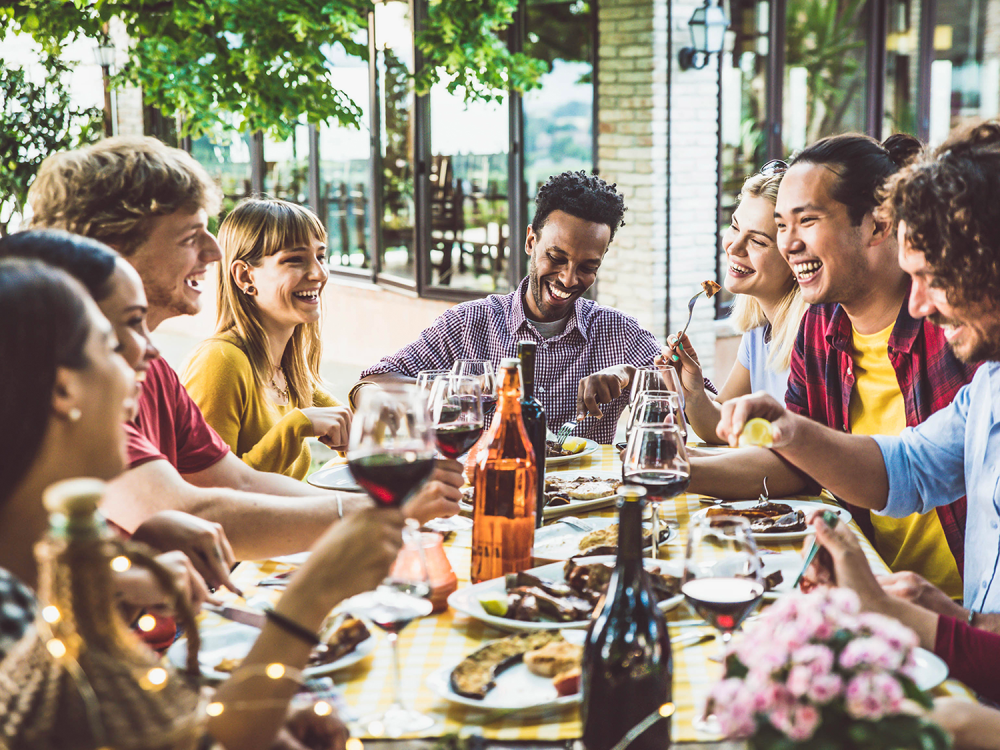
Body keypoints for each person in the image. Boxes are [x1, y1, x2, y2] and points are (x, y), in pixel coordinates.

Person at [0, 256, 401, 750]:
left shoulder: (56, 565)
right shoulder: (9, 614)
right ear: (64, 388)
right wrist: (309, 599)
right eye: (112, 343)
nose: (145, 359)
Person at [26, 136, 462, 560]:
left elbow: (242, 484)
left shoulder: (151, 367)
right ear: (115, 250)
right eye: (191, 235)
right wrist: (389, 510)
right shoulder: (66, 382)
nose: (214, 251)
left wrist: (388, 505)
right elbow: (197, 510)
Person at [715, 122, 1000, 633]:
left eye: (937, 277)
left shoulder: (967, 347)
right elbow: (912, 466)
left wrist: (955, 626)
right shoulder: (988, 384)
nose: (920, 304)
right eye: (781, 225)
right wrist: (790, 430)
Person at [353, 170, 671, 445]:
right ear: (531, 242)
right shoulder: (469, 323)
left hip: (584, 504)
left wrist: (633, 375)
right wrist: (464, 387)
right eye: (556, 258)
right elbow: (368, 387)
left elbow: (701, 403)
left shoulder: (619, 332)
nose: (568, 278)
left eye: (588, 266)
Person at [182, 198, 351, 479]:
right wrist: (296, 426)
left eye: (320, 256)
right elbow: (211, 489)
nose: (319, 274)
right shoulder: (220, 362)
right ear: (244, 275)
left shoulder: (288, 370)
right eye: (295, 260)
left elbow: (358, 437)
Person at [665, 162, 805, 443]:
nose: (734, 247)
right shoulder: (759, 331)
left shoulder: (812, 336)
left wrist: (684, 465)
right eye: (734, 227)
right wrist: (692, 389)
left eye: (757, 241)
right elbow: (722, 424)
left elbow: (798, 461)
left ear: (795, 259)